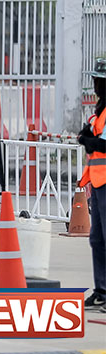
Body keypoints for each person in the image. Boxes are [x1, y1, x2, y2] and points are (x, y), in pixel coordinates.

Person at [77, 57, 106, 313]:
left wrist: (88, 141)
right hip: (98, 182)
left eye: (99, 81)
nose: (96, 85)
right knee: (97, 239)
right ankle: (102, 291)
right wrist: (87, 136)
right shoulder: (100, 111)